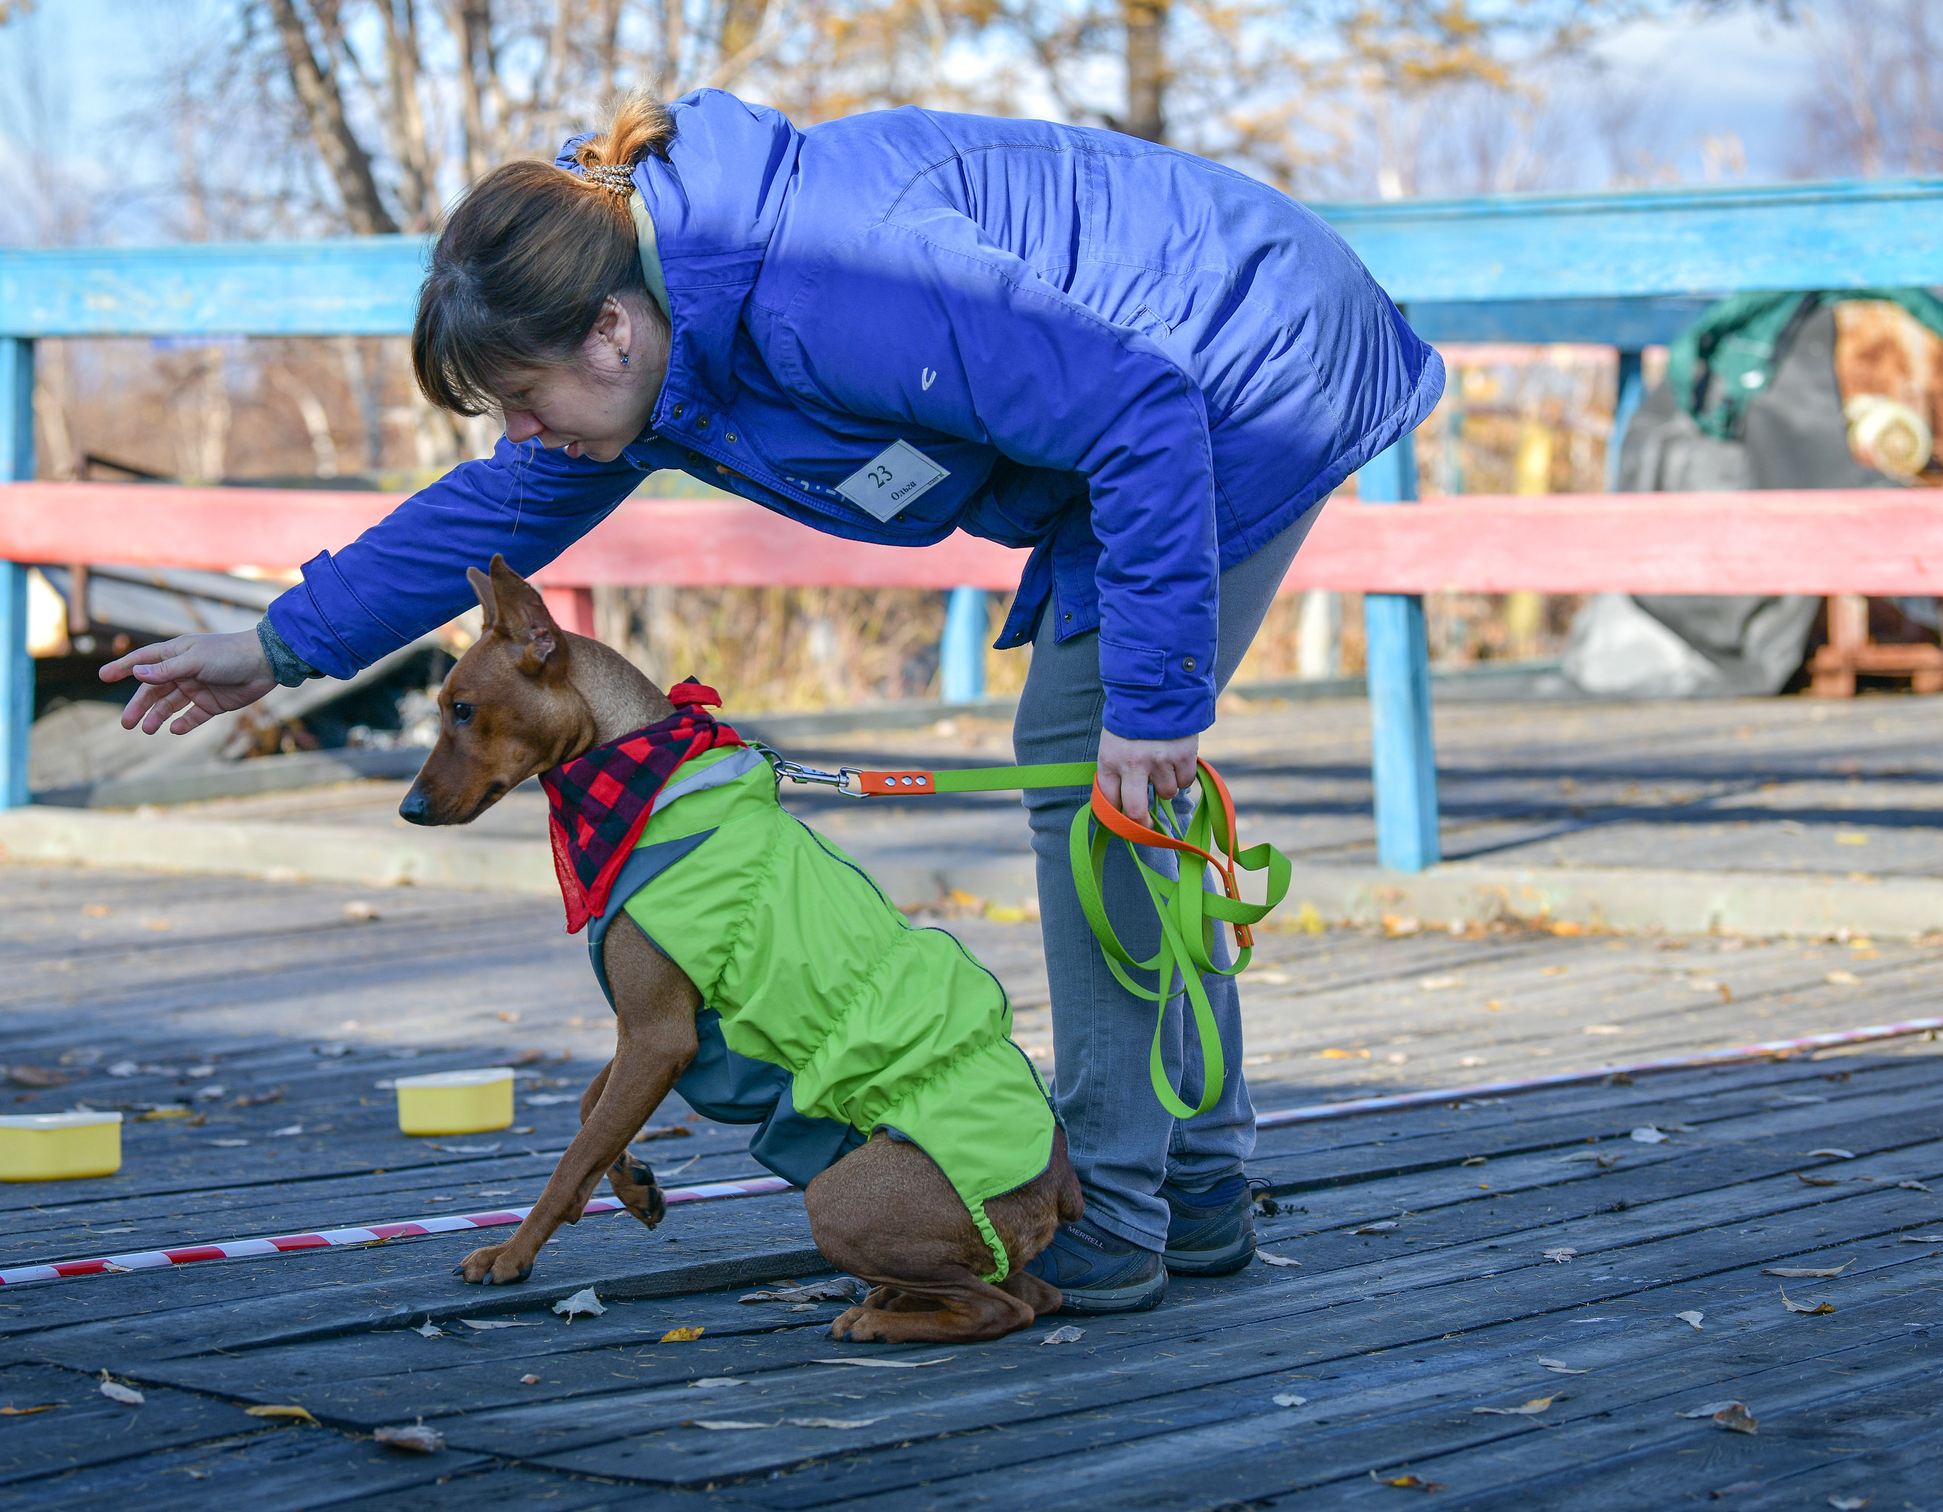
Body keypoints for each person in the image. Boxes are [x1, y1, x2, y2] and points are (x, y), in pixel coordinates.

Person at [102, 89, 1444, 1312]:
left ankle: (1127, 1206)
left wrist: (1152, 704)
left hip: (1245, 361)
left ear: (608, 332)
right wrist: (274, 647)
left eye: (521, 398)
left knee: (1098, 771)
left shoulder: (824, 287)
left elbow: (1141, 409)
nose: (525, 433)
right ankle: (1195, 1185)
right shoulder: (667, 350)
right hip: (1159, 394)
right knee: (1105, 782)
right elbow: (499, 507)